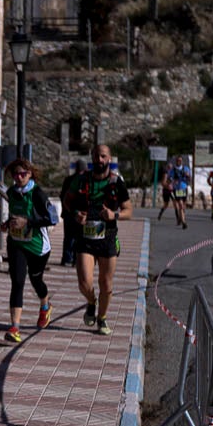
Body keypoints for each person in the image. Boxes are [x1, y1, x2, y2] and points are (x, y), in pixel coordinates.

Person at [68, 144, 133, 336]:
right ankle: (91, 301)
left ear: (109, 159)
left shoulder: (116, 182)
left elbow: (129, 210)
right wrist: (75, 213)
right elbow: (67, 201)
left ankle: (102, 318)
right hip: (85, 237)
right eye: (96, 156)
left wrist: (114, 215)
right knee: (84, 282)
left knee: (106, 283)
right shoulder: (81, 180)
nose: (99, 160)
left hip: (108, 238)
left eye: (103, 156)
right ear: (92, 158)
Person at [1, 157, 56, 343]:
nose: (18, 177)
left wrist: (28, 222)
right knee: (17, 282)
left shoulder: (38, 193)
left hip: (38, 247)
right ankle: (15, 327)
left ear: (30, 174)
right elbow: (15, 215)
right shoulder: (11, 192)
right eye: (15, 174)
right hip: (16, 243)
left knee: (36, 280)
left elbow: (52, 219)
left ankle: (45, 305)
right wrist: (7, 224)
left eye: (22, 174)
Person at [59, 159, 87, 266]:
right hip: (75, 213)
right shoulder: (84, 180)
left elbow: (62, 196)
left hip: (69, 213)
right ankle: (75, 259)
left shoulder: (69, 179)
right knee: (77, 237)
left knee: (69, 237)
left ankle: (67, 258)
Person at [167, 155, 192, 228]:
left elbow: (190, 179)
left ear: (182, 161)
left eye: (180, 160)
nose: (179, 162)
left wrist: (187, 175)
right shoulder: (173, 170)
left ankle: (179, 218)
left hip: (184, 188)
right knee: (180, 204)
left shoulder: (186, 168)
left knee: (183, 206)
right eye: (178, 160)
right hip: (177, 189)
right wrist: (172, 181)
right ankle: (184, 222)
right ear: (176, 161)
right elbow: (169, 180)